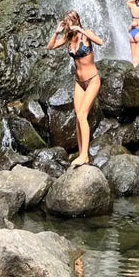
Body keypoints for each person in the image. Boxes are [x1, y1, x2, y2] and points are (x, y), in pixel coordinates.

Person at [47, 10, 103, 166]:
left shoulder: (85, 35)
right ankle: (81, 154)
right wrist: (57, 32)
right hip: (79, 82)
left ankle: (85, 155)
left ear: (77, 21)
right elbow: (50, 47)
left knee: (82, 116)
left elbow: (100, 42)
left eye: (71, 21)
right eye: (67, 21)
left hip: (92, 80)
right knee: (78, 117)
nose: (69, 24)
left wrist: (81, 30)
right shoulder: (67, 37)